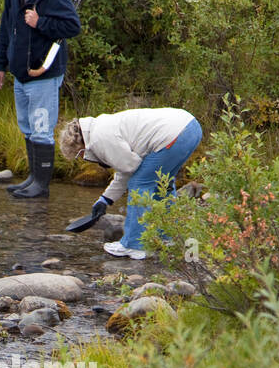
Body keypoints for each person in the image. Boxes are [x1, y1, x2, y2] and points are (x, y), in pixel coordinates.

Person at [0, 0, 81, 199]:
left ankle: (41, 186)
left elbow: (72, 27)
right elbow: (5, 33)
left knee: (41, 128)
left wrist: (39, 22)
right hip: (20, 75)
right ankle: (32, 179)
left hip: (44, 74)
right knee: (28, 128)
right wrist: (0, 65)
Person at [58, 108, 203, 259]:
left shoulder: (99, 139)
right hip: (190, 127)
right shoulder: (100, 126)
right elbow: (127, 166)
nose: (83, 159)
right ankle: (168, 236)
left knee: (139, 184)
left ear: (80, 147)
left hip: (174, 134)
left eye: (80, 155)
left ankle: (134, 246)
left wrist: (106, 198)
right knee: (163, 185)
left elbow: (130, 169)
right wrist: (105, 199)